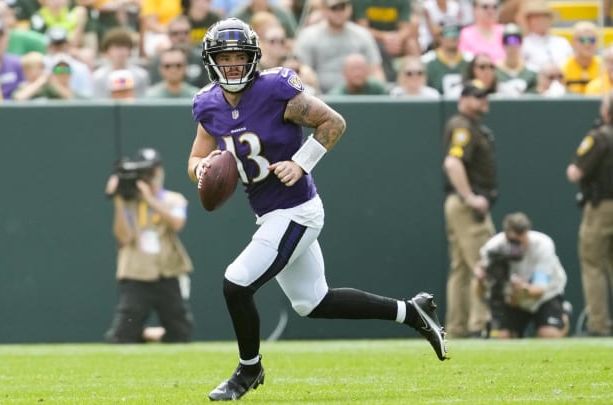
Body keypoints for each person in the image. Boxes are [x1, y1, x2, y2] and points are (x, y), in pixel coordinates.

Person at [188, 18, 448, 402]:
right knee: (313, 302)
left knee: (236, 282)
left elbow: (333, 121)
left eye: (238, 57)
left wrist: (303, 162)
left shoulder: (275, 89)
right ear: (211, 62)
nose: (231, 65)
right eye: (223, 58)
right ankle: (413, 312)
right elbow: (195, 156)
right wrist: (203, 168)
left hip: (297, 209)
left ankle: (249, 368)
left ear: (252, 58)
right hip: (268, 212)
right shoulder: (207, 103)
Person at [104, 148, 195, 344]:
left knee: (180, 331)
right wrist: (118, 200)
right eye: (145, 173)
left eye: (153, 170)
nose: (151, 176)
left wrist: (149, 199)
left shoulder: (174, 199)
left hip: (167, 271)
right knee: (123, 333)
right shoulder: (129, 203)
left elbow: (177, 223)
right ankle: (144, 334)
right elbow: (124, 237)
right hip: (137, 272)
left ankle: (150, 335)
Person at [442, 79, 497, 338]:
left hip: (458, 205)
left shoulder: (471, 126)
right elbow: (453, 163)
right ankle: (479, 324)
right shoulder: (463, 127)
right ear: (462, 100)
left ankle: (457, 327)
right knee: (483, 263)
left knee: (462, 268)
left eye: (485, 95)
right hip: (467, 207)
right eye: (477, 96)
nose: (483, 100)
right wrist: (470, 197)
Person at [474, 212, 568, 338]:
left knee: (548, 334)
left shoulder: (543, 246)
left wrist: (523, 288)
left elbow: (539, 290)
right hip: (514, 301)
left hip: (545, 297)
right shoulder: (493, 248)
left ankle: (562, 317)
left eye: (519, 238)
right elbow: (481, 292)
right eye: (511, 240)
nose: (515, 245)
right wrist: (480, 279)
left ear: (526, 233)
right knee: (500, 337)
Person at [566, 96, 613, 337]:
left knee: (593, 264)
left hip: (602, 207)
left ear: (606, 112)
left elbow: (574, 172)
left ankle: (599, 324)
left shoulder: (600, 136)